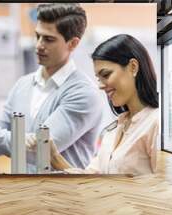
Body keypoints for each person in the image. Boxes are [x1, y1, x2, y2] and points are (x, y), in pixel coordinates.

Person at [0, 3, 110, 171]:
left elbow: (39, 151)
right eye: (38, 36)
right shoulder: (23, 85)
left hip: (62, 195)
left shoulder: (83, 94)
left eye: (49, 39)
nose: (39, 45)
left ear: (73, 43)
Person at [57, 34, 159, 175]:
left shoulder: (155, 123)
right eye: (98, 78)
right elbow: (92, 177)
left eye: (106, 75)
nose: (100, 85)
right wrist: (53, 155)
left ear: (133, 67)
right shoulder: (115, 128)